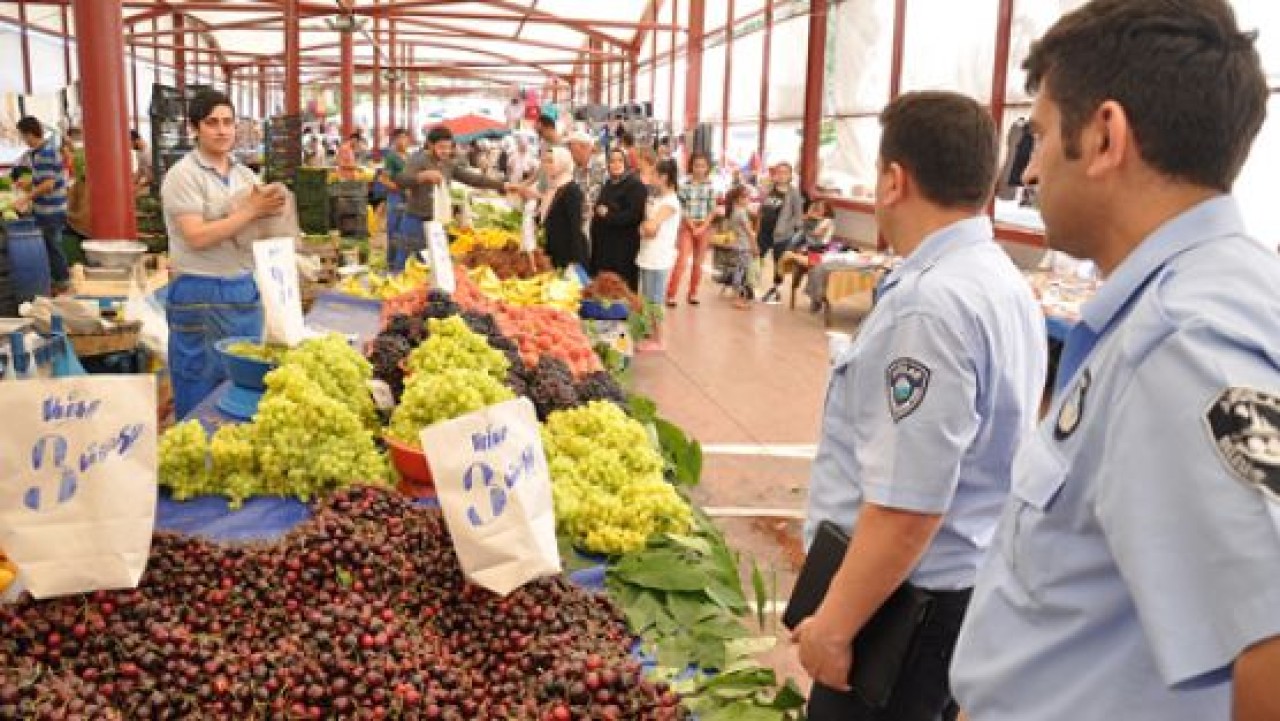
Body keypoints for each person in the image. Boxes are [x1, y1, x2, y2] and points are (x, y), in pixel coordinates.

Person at [951, 2, 1280, 720]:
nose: (1029, 170)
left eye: (1037, 136)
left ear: (1104, 135)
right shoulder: (1213, 296)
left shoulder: (1185, 346)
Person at [791, 91, 1047, 721]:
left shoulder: (930, 306)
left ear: (893, 180)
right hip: (958, 595)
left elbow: (909, 506)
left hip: (900, 612)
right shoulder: (1002, 283)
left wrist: (834, 626)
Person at [160, 90, 286, 418]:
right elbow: (197, 236)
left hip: (243, 290)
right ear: (194, 128)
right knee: (198, 382)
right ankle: (198, 454)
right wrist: (251, 210)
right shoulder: (182, 175)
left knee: (244, 383)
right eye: (212, 122)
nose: (222, 130)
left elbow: (260, 228)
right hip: (199, 292)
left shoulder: (244, 175)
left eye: (228, 122)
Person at [393, 125, 515, 261]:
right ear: (430, 145)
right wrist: (422, 176)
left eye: (448, 147)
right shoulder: (417, 160)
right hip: (415, 220)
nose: (446, 151)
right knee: (405, 262)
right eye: (441, 147)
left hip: (437, 223)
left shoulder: (448, 164)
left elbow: (472, 179)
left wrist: (502, 185)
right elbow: (400, 181)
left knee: (432, 264)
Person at [16, 116, 71, 295]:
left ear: (30, 134)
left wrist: (26, 198)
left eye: (23, 136)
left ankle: (63, 282)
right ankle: (58, 281)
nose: (24, 141)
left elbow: (48, 184)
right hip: (48, 209)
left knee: (52, 246)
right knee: (50, 246)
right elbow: (44, 180)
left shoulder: (45, 152)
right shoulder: (40, 153)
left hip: (51, 210)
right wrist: (29, 184)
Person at [635, 159, 682, 352]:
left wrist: (645, 227)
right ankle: (652, 334)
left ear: (663, 178)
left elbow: (651, 227)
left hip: (658, 257)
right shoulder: (659, 199)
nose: (651, 178)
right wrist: (645, 227)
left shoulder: (670, 202)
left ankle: (660, 339)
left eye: (654, 174)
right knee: (647, 298)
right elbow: (646, 227)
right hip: (648, 255)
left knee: (655, 299)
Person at [590, 148, 649, 290]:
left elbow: (634, 216)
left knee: (623, 290)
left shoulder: (635, 185)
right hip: (605, 249)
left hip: (624, 250)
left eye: (619, 160)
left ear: (626, 163)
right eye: (612, 161)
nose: (615, 164)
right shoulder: (609, 184)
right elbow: (599, 207)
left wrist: (608, 215)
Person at [666, 152, 718, 307]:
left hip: (704, 228)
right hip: (687, 227)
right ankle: (671, 294)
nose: (699, 169)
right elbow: (680, 208)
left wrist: (702, 227)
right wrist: (691, 226)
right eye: (696, 165)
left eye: (702, 166)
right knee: (681, 261)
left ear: (707, 168)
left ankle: (693, 293)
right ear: (691, 166)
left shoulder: (710, 186)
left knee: (698, 263)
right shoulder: (684, 185)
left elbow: (712, 210)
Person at [757, 162, 807, 304]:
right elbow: (762, 210)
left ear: (791, 175)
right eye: (779, 172)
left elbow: (798, 217)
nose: (782, 175)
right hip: (764, 232)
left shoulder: (794, 194)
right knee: (755, 257)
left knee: (778, 263)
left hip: (782, 235)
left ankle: (775, 290)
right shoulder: (769, 190)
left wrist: (795, 237)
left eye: (785, 172)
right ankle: (749, 284)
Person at [538, 147, 589, 270]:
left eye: (551, 161)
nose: (546, 165)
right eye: (545, 161)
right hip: (554, 250)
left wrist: (575, 261)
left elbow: (575, 227)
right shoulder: (553, 186)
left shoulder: (571, 190)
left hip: (567, 255)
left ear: (562, 163)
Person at [567, 130, 607, 240]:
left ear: (585, 148)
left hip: (597, 226)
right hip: (578, 224)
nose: (571, 154)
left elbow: (604, 196)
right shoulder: (573, 170)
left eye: (572, 150)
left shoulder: (601, 167)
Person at [723, 186, 758, 309]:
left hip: (737, 245)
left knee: (739, 271)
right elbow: (749, 233)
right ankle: (737, 298)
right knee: (742, 273)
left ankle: (737, 297)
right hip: (744, 246)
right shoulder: (742, 213)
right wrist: (755, 247)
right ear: (738, 199)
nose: (748, 199)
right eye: (746, 197)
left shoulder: (733, 212)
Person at [382, 128, 412, 271]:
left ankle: (403, 264)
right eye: (399, 138)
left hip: (409, 199)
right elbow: (384, 180)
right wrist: (400, 188)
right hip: (395, 198)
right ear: (394, 140)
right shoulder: (391, 157)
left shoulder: (409, 156)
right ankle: (391, 263)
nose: (403, 141)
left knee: (404, 230)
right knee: (393, 230)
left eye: (405, 138)